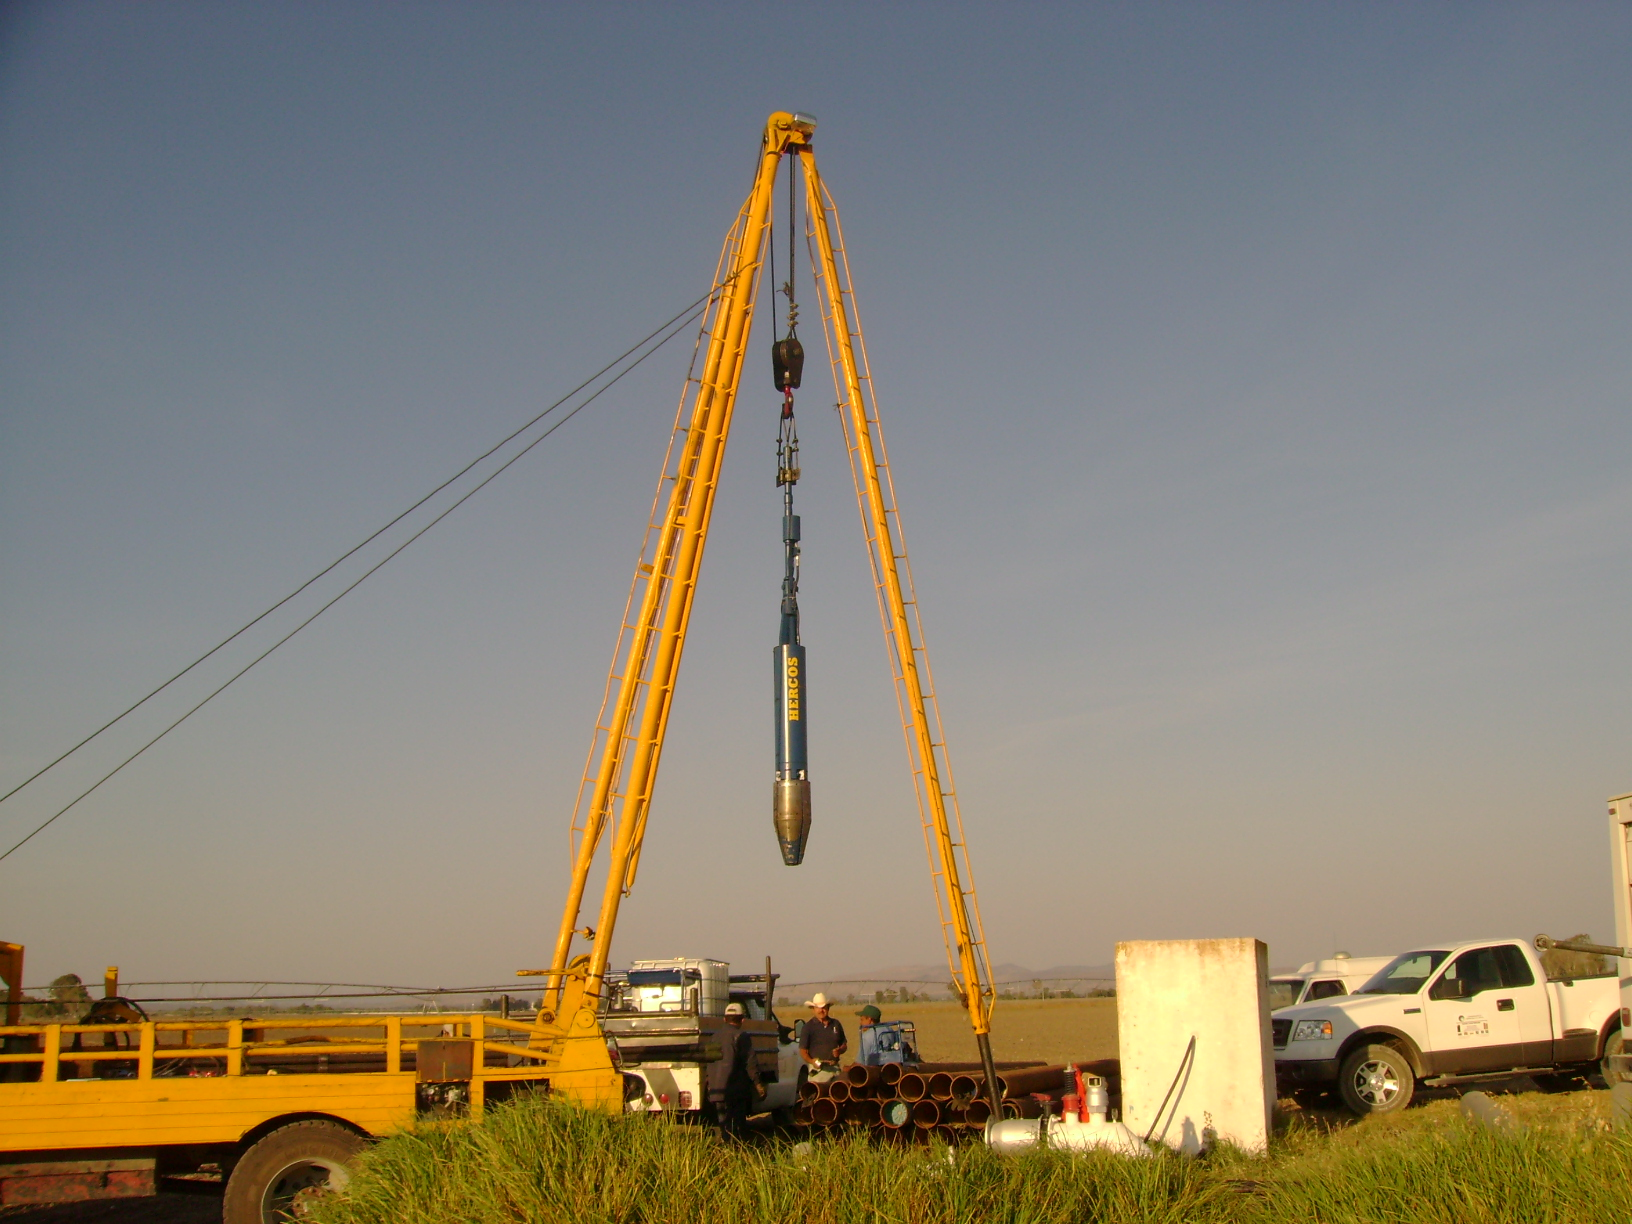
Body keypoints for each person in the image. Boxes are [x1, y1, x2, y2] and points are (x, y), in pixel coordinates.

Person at [718, 1002, 761, 1140]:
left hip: (716, 1090)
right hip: (736, 1090)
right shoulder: (742, 1037)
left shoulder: (714, 1037)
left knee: (723, 1124)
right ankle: (736, 1153)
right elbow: (750, 1063)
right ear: (742, 1020)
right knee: (737, 1127)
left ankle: (726, 1150)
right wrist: (758, 1084)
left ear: (725, 1019)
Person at [799, 992, 847, 1081]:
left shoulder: (836, 1024)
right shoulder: (808, 1027)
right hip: (818, 1072)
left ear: (828, 1008)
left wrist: (839, 1050)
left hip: (835, 1069)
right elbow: (803, 1051)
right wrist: (812, 1061)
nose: (821, 1010)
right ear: (813, 1009)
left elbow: (844, 1045)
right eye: (818, 1008)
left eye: (824, 1008)